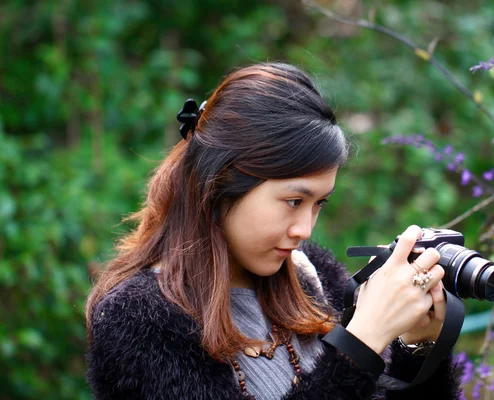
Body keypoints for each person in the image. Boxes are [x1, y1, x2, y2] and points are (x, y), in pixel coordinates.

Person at [85, 62, 461, 399]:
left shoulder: (312, 276)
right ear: (219, 184)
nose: (305, 229)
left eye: (319, 204)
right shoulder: (136, 318)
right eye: (294, 201)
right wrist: (359, 344)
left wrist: (418, 347)